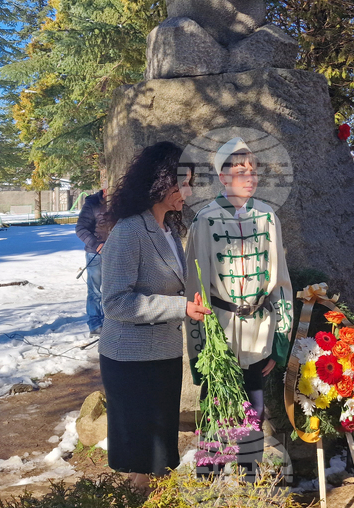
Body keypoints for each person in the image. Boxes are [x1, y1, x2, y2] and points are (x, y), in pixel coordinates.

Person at [99, 141, 212, 489]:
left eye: (190, 183)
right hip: (131, 360)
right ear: (161, 181)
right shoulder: (129, 231)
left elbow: (170, 287)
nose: (187, 192)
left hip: (162, 354)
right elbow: (116, 302)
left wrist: (191, 301)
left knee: (158, 454)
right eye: (182, 183)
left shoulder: (168, 230)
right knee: (143, 458)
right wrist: (181, 308)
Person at [186, 137, 293, 479]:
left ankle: (250, 481)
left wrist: (280, 341)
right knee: (216, 409)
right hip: (221, 331)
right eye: (241, 170)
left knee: (254, 411)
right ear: (223, 177)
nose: (250, 177)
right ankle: (208, 482)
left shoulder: (267, 217)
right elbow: (195, 289)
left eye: (253, 170)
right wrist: (201, 351)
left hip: (259, 330)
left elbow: (281, 281)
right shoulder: (205, 220)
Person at [76, 185, 107, 336]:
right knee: (95, 291)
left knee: (112, 290)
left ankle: (110, 322)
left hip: (116, 254)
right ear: (105, 190)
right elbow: (80, 229)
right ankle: (95, 324)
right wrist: (96, 245)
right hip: (95, 254)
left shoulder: (122, 203)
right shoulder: (92, 204)